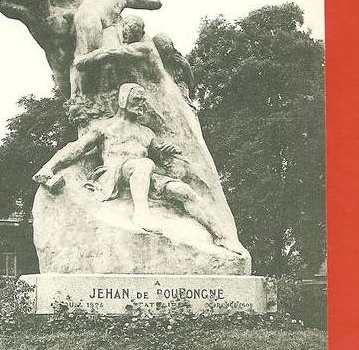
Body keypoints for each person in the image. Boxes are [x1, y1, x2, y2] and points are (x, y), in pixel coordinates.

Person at [33, 83, 244, 255]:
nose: (141, 105)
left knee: (183, 191)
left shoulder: (146, 133)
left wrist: (167, 151)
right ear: (124, 100)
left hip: (144, 175)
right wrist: (49, 167)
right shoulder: (105, 127)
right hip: (113, 174)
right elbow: (76, 149)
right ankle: (141, 214)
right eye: (137, 100)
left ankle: (222, 237)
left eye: (143, 101)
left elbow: (159, 154)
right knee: (142, 164)